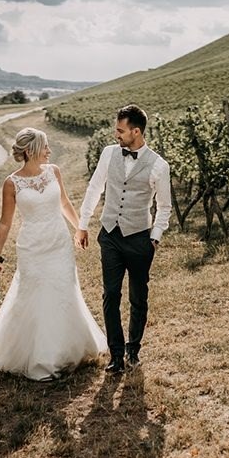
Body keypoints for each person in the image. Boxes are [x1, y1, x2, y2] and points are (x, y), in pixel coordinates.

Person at [0, 127, 107, 381]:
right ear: (31, 150)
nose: (49, 151)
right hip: (32, 247)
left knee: (64, 290)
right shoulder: (11, 183)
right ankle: (42, 357)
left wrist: (80, 228)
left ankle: (66, 350)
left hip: (59, 242)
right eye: (45, 146)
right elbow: (5, 223)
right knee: (35, 295)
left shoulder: (54, 171)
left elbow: (64, 203)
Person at [76, 105, 171, 373]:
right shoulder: (109, 153)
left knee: (138, 298)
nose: (116, 134)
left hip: (139, 238)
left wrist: (154, 238)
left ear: (136, 131)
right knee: (110, 295)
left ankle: (133, 349)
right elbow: (95, 187)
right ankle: (116, 355)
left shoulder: (159, 166)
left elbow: (165, 206)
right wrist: (83, 224)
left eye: (120, 130)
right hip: (110, 235)